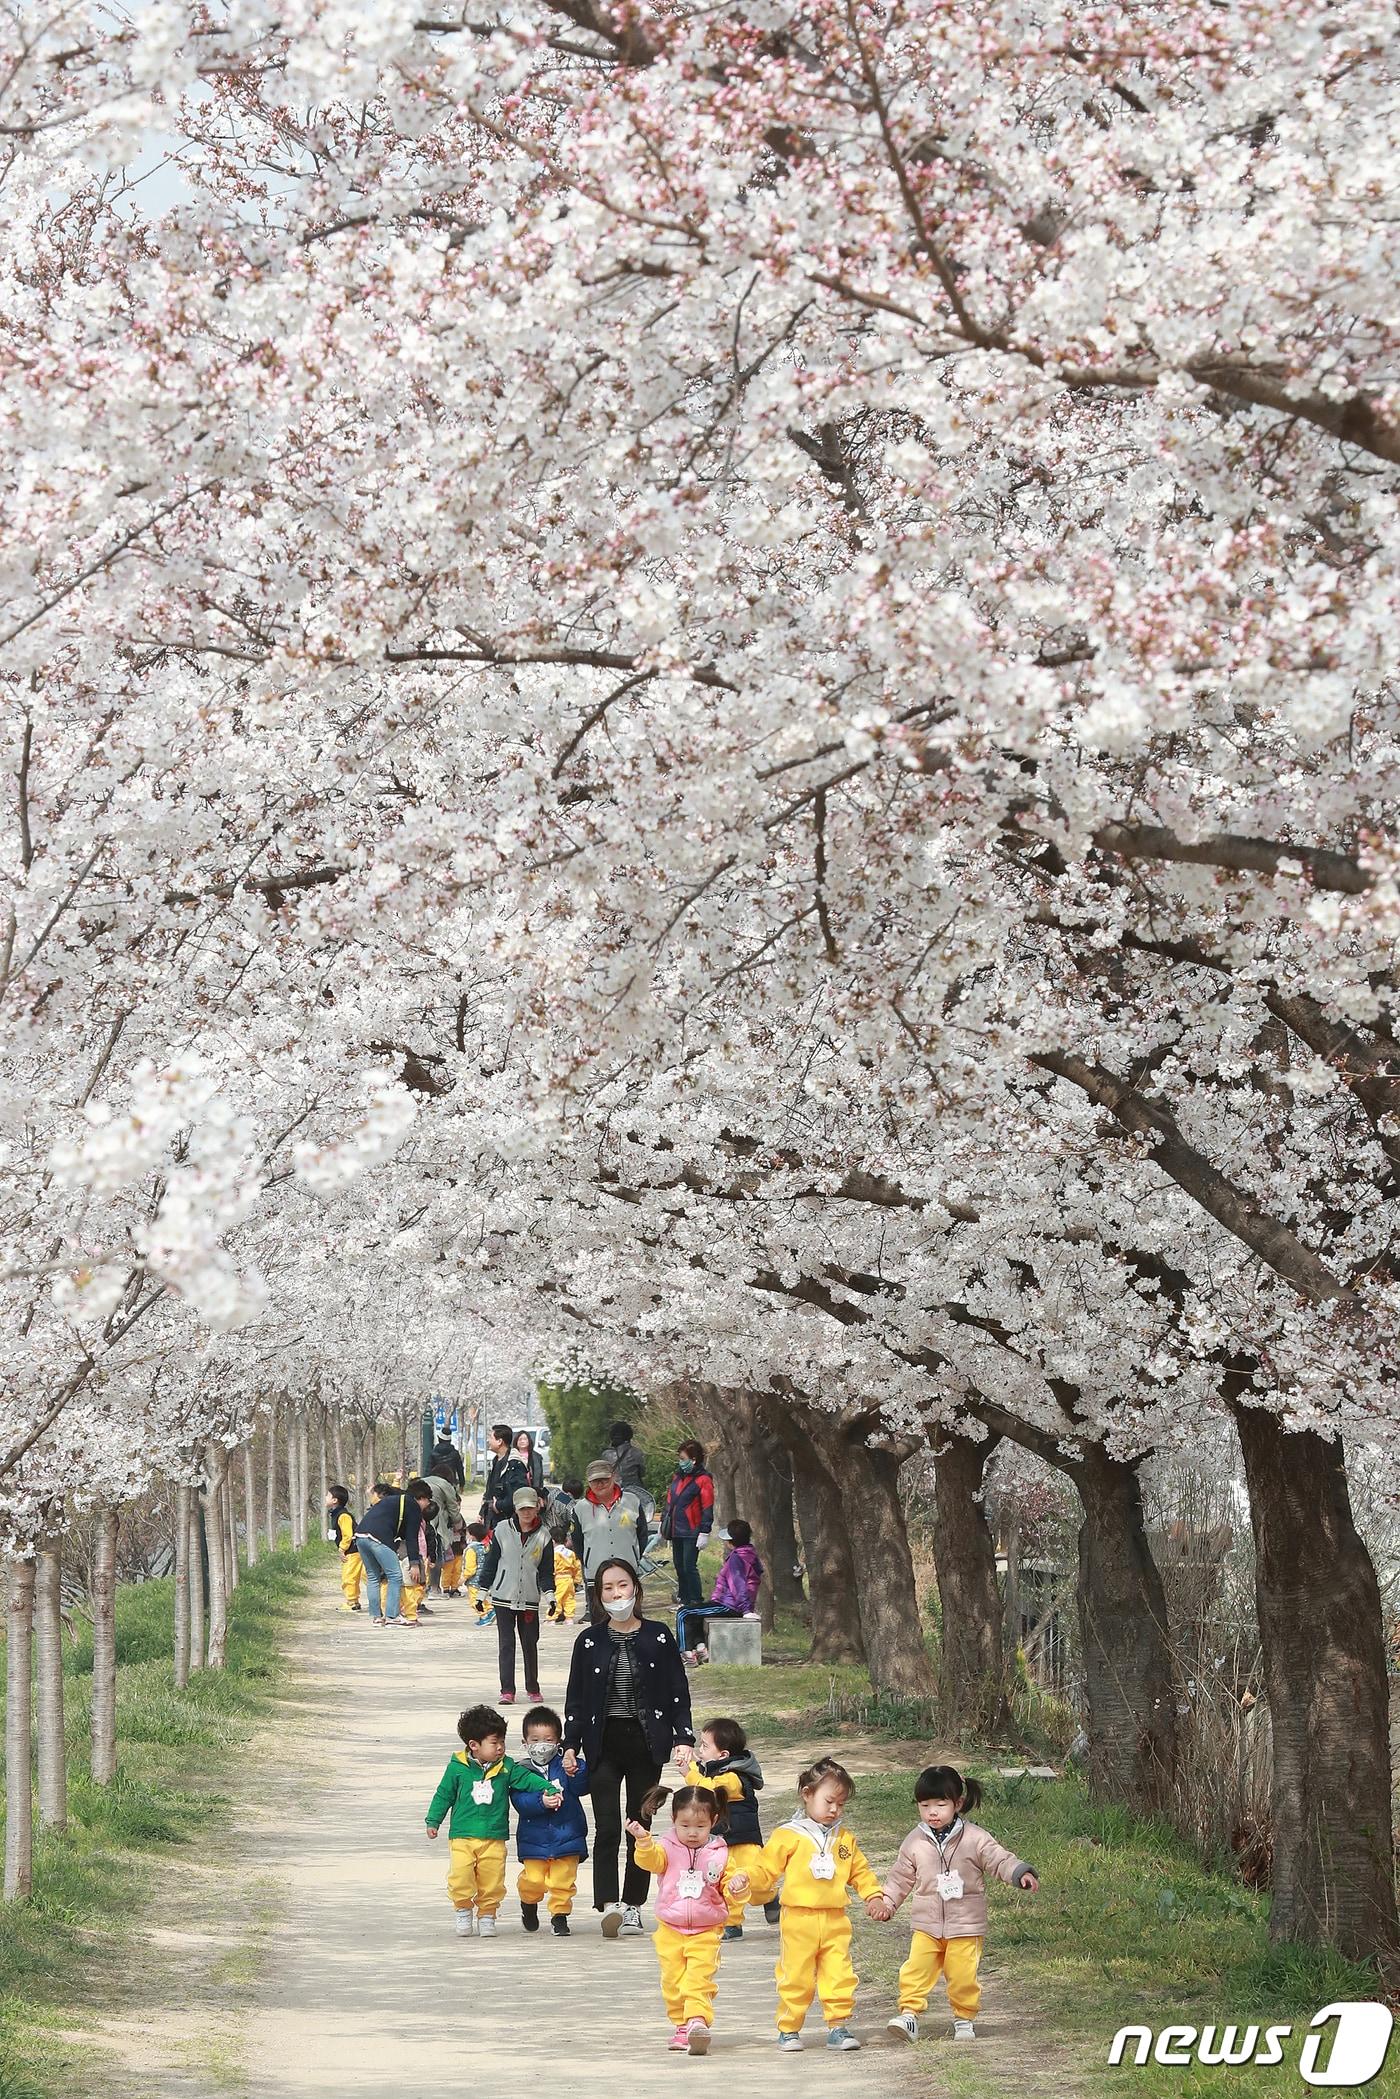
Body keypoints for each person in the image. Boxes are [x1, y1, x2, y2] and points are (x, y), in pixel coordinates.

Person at [561, 1559, 695, 1937]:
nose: (616, 1593)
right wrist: (570, 1745)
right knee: (607, 1826)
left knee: (640, 1824)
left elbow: (677, 1691)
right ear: (599, 1595)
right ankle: (609, 1905)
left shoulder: (659, 1636)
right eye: (607, 1587)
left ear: (635, 1587)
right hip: (602, 1743)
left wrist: (683, 1738)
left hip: (646, 1744)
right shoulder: (589, 1640)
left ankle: (633, 1905)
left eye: (622, 1585)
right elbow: (576, 1697)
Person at [876, 1765, 1038, 2042]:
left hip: (966, 1925)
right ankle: (909, 2015)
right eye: (925, 1806)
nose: (932, 1812)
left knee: (962, 1975)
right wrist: (887, 1902)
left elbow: (998, 1858)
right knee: (915, 1970)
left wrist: (1018, 1872)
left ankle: (964, 2018)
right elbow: (900, 1876)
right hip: (927, 1924)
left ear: (958, 1803)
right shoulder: (914, 1840)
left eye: (940, 1805)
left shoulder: (975, 1837)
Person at [746, 1757, 885, 2053]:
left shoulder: (844, 1838)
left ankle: (838, 2026)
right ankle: (789, 2028)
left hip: (835, 1919)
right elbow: (765, 1869)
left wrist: (873, 1896)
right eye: (829, 1801)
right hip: (798, 1920)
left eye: (841, 1804)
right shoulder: (788, 1835)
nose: (835, 1810)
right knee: (795, 1974)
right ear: (807, 1794)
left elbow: (860, 1872)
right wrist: (746, 1879)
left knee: (839, 1973)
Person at [626, 1784, 752, 2054]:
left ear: (713, 1821)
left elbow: (731, 1888)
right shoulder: (666, 1847)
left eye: (700, 1826)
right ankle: (681, 2025)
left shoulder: (720, 1853)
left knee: (698, 1979)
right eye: (685, 1826)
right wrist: (643, 1842)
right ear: (673, 1820)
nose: (692, 1833)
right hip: (670, 1929)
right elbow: (650, 1862)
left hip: (707, 1930)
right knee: (673, 1982)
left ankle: (697, 2021)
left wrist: (738, 1886)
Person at [425, 1703, 562, 1938]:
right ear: (474, 1745)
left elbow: (528, 1779)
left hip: (494, 1837)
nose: (500, 1748)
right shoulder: (457, 1768)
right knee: (461, 1875)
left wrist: (548, 1788)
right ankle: (463, 1909)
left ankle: (487, 1914)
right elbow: (443, 1795)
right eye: (494, 1743)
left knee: (492, 1879)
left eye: (502, 1742)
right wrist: (433, 1820)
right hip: (462, 1836)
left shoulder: (507, 1767)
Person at [675, 1714, 777, 1938]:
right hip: (722, 1842)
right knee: (726, 1883)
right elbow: (701, 1779)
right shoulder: (712, 1770)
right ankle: (732, 1923)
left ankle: (770, 1898)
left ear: (723, 1755)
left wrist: (689, 1774)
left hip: (744, 1841)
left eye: (705, 1746)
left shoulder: (734, 1777)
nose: (700, 1750)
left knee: (756, 1883)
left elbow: (710, 1790)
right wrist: (688, 1764)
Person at [511, 1704, 590, 1936]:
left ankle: (560, 1916)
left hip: (568, 1834)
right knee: (533, 1880)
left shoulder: (566, 1764)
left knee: (562, 1881)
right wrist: (540, 1802)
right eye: (535, 1740)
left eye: (548, 1740)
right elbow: (519, 1801)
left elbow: (583, 1788)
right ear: (525, 1743)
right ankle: (528, 1902)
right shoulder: (520, 1771)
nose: (541, 1745)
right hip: (533, 1839)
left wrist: (576, 1770)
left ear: (558, 1742)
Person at [479, 1487, 554, 1705]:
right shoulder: (502, 1529)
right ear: (515, 1508)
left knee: (530, 1643)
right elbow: (491, 1563)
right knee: (506, 1644)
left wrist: (550, 1596)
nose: (526, 1512)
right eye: (522, 1508)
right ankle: (507, 1691)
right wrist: (482, 1592)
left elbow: (546, 1571)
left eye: (530, 1508)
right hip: (503, 1597)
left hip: (529, 1599)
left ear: (537, 1507)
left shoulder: (544, 1535)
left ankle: (533, 1688)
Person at [677, 1519, 764, 1660]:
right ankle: (701, 1648)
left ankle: (685, 1654)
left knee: (684, 1613)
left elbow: (739, 1585)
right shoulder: (748, 1554)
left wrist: (746, 1610)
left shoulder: (737, 1558)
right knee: (696, 1612)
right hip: (729, 1603)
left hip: (729, 1606)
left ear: (730, 1542)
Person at [353, 1478, 434, 1627]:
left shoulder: (396, 1499)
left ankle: (377, 1617)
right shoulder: (413, 1506)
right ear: (422, 1498)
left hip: (360, 1536)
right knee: (395, 1576)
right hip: (378, 1537)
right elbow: (411, 1537)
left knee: (373, 1577)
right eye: (427, 1501)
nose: (427, 1505)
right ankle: (392, 1616)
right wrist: (414, 1563)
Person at [570, 1457, 648, 1583]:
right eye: (595, 1481)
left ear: (613, 1477)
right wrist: (588, 1561)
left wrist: (635, 1556)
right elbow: (577, 1542)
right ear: (588, 1482)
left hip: (628, 1571)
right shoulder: (580, 1508)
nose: (600, 1484)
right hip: (595, 1575)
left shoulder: (632, 1501)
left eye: (604, 1480)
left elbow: (642, 1535)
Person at [659, 1441, 715, 1612]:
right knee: (679, 1566)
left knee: (689, 1566)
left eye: (683, 1458)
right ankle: (683, 1599)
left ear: (694, 1459)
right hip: (676, 1529)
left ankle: (696, 1600)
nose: (680, 1461)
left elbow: (707, 1506)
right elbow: (670, 1501)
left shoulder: (704, 1479)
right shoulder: (678, 1477)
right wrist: (664, 1521)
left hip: (692, 1530)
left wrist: (705, 1531)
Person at [423, 1465, 464, 1597]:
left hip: (419, 1522)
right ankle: (434, 1589)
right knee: (436, 1554)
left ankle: (422, 1587)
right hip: (436, 1523)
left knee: (421, 1553)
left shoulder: (423, 1481)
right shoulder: (445, 1485)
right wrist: (458, 1522)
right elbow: (453, 1507)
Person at [480, 1423, 528, 1526]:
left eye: (491, 1437)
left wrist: (498, 1505)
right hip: (493, 1519)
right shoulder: (495, 1461)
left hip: (509, 1520)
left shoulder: (514, 1464)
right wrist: (482, 1513)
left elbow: (518, 1494)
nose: (488, 1440)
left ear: (500, 1441)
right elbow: (490, 1491)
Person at [325, 1484, 361, 1611]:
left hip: (353, 1551)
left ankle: (351, 1602)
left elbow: (347, 1534)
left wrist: (342, 1549)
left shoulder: (343, 1516)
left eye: (328, 1495)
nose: (325, 1497)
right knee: (353, 1576)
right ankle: (354, 1601)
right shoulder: (336, 1514)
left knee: (349, 1577)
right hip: (352, 1551)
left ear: (335, 1500)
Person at [601, 1419, 648, 1502]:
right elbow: (642, 1473)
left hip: (613, 1494)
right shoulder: (636, 1452)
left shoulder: (606, 1455)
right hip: (635, 1493)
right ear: (629, 1435)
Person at [462, 1521, 494, 1624]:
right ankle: (490, 1610)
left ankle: (484, 1616)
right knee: (480, 1598)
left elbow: (470, 1568)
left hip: (474, 1581)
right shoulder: (484, 1547)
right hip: (483, 1579)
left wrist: (463, 1577)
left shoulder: (471, 1549)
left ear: (472, 1536)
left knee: (474, 1600)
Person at [548, 1537, 583, 1624]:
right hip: (569, 1579)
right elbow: (577, 1567)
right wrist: (577, 1580)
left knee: (556, 1599)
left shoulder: (554, 1553)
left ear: (552, 1541)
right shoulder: (571, 1553)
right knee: (569, 1599)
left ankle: (552, 1618)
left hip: (559, 1579)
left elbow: (551, 1567)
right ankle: (569, 1618)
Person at [513, 1428, 546, 1495]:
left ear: (529, 1441)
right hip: (516, 1489)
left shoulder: (536, 1457)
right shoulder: (512, 1456)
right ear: (516, 1442)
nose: (522, 1441)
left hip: (532, 1489)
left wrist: (539, 1490)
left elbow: (539, 1475)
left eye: (525, 1439)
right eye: (520, 1439)